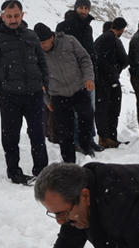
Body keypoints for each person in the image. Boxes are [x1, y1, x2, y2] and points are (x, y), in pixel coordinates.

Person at [0, 0, 51, 185]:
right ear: (2, 16)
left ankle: (42, 171)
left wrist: (44, 82)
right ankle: (14, 172)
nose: (13, 20)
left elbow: (41, 61)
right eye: (9, 16)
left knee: (38, 134)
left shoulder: (31, 36)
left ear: (22, 15)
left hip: (34, 94)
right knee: (10, 136)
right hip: (10, 96)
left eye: (16, 16)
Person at [35, 23, 96, 163]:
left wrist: (88, 77)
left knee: (87, 117)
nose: (42, 46)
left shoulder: (69, 41)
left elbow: (85, 59)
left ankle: (86, 146)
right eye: (39, 44)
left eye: (43, 43)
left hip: (79, 88)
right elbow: (39, 80)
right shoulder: (37, 53)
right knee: (64, 130)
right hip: (58, 95)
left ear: (52, 37)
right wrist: (47, 100)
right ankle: (68, 161)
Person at [56, 0, 105, 153]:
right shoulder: (64, 27)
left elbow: (90, 52)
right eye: (81, 8)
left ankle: (89, 139)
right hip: (73, 76)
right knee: (78, 112)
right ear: (75, 9)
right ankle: (79, 141)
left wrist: (93, 72)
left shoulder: (88, 28)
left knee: (90, 110)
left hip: (89, 74)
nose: (83, 11)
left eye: (86, 8)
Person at [94, 17, 129, 149]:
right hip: (108, 81)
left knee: (102, 109)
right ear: (122, 29)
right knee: (111, 109)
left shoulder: (101, 39)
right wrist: (115, 72)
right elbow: (124, 60)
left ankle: (105, 137)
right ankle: (107, 138)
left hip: (100, 80)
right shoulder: (112, 40)